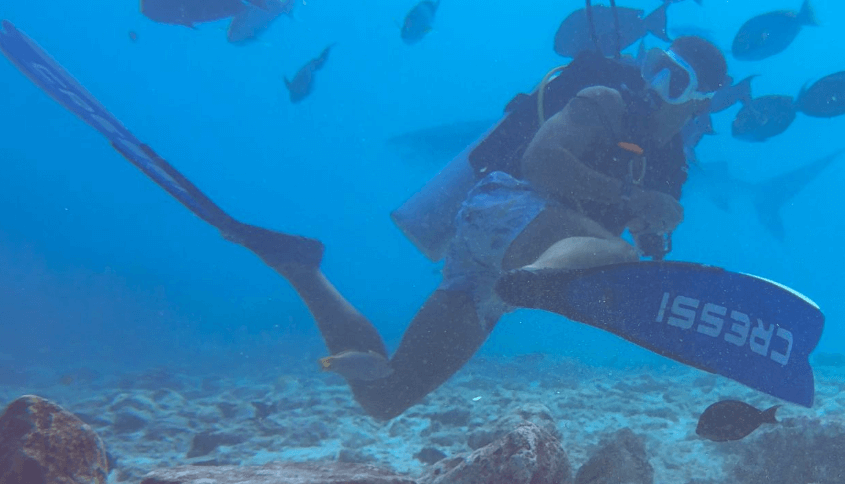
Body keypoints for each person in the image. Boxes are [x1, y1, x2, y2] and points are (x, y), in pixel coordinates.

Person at [222, 35, 728, 420]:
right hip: (507, 212)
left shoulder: (672, 164)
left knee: (386, 395)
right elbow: (542, 161)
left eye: (675, 80)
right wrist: (631, 199)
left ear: (700, 102)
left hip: (501, 265)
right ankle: (538, 281)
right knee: (617, 256)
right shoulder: (603, 100)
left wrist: (654, 222)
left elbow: (638, 225)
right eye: (656, 67)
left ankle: (302, 269)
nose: (654, 84)